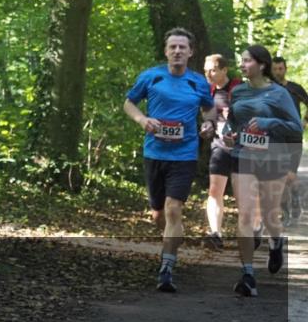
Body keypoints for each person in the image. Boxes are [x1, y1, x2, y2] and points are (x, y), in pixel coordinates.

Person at [123, 27, 215, 293]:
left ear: (190, 52)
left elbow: (209, 109)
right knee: (158, 215)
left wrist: (208, 125)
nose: (177, 51)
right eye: (172, 47)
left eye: (182, 47)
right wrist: (142, 119)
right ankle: (171, 241)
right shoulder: (151, 77)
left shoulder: (197, 82)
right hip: (154, 153)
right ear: (166, 51)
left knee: (175, 208)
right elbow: (129, 103)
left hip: (184, 154)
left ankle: (167, 267)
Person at [223, 45, 303, 297]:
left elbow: (296, 127)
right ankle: (248, 274)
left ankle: (276, 241)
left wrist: (270, 122)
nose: (243, 65)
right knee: (245, 215)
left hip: (272, 158)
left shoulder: (279, 95)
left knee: (270, 215)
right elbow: (232, 123)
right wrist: (228, 135)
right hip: (242, 156)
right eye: (242, 61)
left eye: (247, 61)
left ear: (261, 65)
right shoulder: (238, 92)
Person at [202, 54, 241, 249]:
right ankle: (215, 233)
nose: (208, 74)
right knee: (215, 190)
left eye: (213, 70)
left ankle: (253, 231)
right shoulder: (208, 92)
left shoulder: (240, 88)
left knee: (244, 196)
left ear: (224, 70)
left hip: (243, 149)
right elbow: (208, 117)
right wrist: (207, 126)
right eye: (206, 70)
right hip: (219, 146)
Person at [272, 56, 308, 224]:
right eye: (275, 69)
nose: (278, 71)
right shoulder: (268, 89)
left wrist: (305, 121)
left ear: (285, 69)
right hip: (275, 137)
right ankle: (284, 211)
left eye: (281, 68)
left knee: (290, 176)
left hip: (294, 136)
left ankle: (295, 200)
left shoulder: (295, 88)